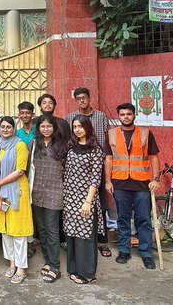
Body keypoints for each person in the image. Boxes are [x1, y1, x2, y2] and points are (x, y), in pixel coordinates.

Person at [105, 103, 160, 270]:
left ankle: (146, 253)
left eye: (129, 114)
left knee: (143, 219)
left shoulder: (145, 133)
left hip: (142, 183)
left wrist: (156, 179)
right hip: (120, 183)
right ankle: (124, 250)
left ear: (134, 115)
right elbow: (108, 159)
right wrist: (108, 181)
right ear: (118, 116)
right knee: (122, 218)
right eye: (122, 114)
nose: (126, 117)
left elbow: (154, 157)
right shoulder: (111, 134)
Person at [65, 87, 112, 258]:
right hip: (78, 169)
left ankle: (102, 241)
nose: (81, 101)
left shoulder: (101, 117)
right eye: (78, 99)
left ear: (89, 98)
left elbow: (107, 146)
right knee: (77, 207)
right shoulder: (70, 118)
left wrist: (107, 177)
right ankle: (79, 239)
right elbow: (69, 142)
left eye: (84, 98)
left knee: (99, 205)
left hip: (96, 164)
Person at [0, 117, 33, 284]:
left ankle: (22, 268)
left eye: (9, 127)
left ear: (14, 128)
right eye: (3, 126)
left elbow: (20, 170)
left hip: (17, 192)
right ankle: (12, 263)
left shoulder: (20, 145)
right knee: (6, 230)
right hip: (0, 192)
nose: (6, 129)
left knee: (18, 231)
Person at [63, 115, 104, 284]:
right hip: (69, 198)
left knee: (85, 237)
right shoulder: (71, 148)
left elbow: (95, 178)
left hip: (85, 199)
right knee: (72, 235)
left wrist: (88, 201)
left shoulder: (96, 150)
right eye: (75, 126)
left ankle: (87, 274)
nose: (77, 129)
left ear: (87, 127)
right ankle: (74, 269)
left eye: (80, 126)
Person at [27, 115, 67, 283]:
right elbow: (27, 167)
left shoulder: (62, 146)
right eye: (42, 126)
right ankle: (47, 260)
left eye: (48, 127)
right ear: (38, 129)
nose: (45, 129)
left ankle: (55, 265)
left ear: (54, 128)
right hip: (36, 192)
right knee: (41, 229)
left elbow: (66, 170)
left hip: (54, 192)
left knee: (52, 230)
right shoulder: (33, 144)